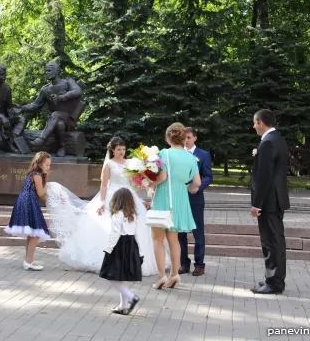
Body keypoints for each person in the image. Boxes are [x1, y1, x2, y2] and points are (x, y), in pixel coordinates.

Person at [45, 136, 170, 276]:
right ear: (113, 150)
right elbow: (104, 185)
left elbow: (134, 182)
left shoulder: (131, 163)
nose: (121, 152)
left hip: (128, 195)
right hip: (112, 196)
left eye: (123, 149)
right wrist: (102, 202)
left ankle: (137, 260)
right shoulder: (109, 164)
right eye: (118, 149)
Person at [149, 123, 201, 290]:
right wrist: (182, 188)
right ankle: (174, 274)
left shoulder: (164, 153)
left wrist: (151, 183)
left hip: (164, 199)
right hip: (180, 200)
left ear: (169, 136)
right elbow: (197, 183)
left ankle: (161, 276)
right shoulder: (191, 157)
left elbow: (162, 177)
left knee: (157, 239)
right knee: (174, 239)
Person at [250, 109, 290, 294]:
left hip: (269, 201)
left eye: (255, 123)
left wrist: (257, 204)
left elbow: (264, 176)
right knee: (275, 241)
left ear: (261, 122)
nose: (253, 126)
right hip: (277, 198)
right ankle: (273, 279)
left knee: (271, 242)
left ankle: (274, 283)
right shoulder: (278, 139)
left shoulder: (267, 143)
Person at [4, 152, 52, 271]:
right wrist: (49, 185)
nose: (48, 167)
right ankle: (28, 261)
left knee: (32, 233)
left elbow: (42, 196)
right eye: (46, 165)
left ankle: (28, 260)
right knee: (35, 233)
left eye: (49, 165)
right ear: (40, 164)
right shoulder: (37, 175)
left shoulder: (34, 173)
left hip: (26, 200)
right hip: (28, 202)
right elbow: (41, 193)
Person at [100, 187, 143, 316]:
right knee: (121, 278)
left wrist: (108, 250)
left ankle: (131, 297)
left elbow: (115, 234)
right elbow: (137, 234)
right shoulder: (133, 215)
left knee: (112, 277)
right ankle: (123, 306)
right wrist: (140, 252)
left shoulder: (117, 215)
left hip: (119, 247)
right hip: (131, 246)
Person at [178, 127, 213, 276]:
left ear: (195, 138)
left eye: (189, 137)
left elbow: (208, 176)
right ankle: (184, 263)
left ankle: (199, 264)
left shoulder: (203, 155)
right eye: (184, 137)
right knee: (180, 233)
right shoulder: (177, 154)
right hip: (179, 197)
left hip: (195, 198)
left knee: (198, 232)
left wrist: (198, 187)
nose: (186, 140)